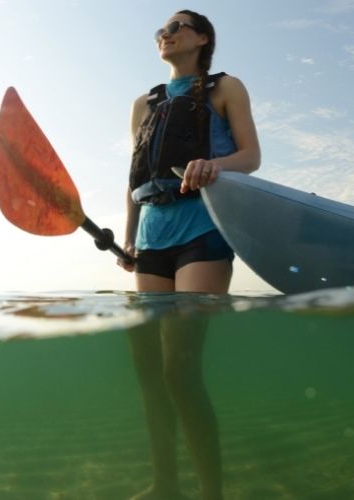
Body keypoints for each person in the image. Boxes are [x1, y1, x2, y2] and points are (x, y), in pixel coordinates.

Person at [118, 9, 260, 500]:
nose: (165, 34)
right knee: (154, 372)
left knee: (180, 366)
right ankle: (165, 484)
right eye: (161, 29)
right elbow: (135, 176)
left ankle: (211, 492)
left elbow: (251, 157)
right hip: (153, 234)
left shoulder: (225, 87)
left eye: (176, 27)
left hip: (203, 229)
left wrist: (212, 165)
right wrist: (130, 236)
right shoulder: (144, 103)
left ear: (201, 38)